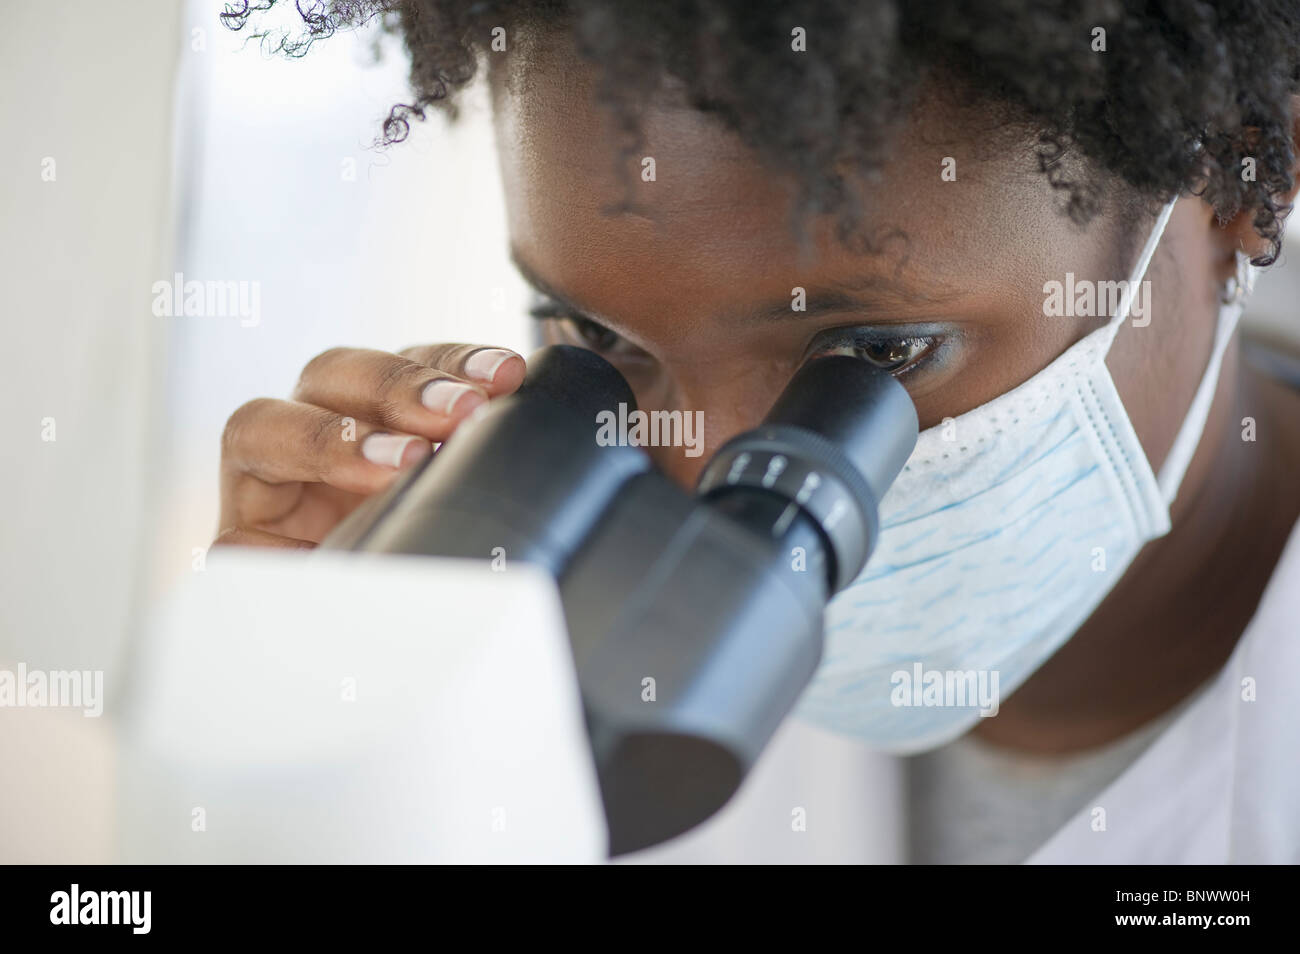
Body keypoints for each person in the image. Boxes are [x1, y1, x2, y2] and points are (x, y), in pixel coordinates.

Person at [214, 1, 1300, 862]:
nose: (699, 471)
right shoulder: (576, 700)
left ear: (1239, 187)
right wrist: (321, 764)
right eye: (593, 333)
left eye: (874, 356)